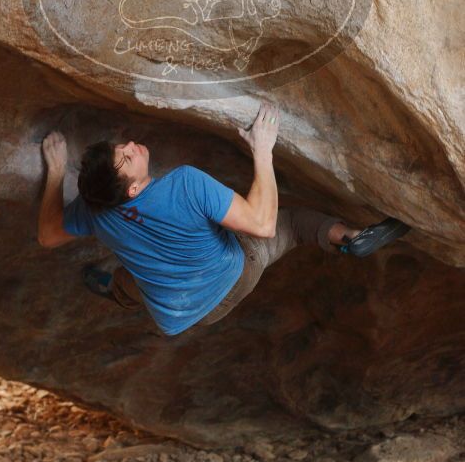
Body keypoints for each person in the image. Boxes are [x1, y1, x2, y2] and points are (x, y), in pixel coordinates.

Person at [38, 102, 410, 336]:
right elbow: (263, 224)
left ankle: (116, 291)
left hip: (178, 313)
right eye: (127, 158)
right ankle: (351, 236)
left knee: (129, 280)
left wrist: (55, 171)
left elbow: (48, 236)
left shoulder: (94, 208)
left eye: (124, 147)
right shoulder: (185, 184)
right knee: (291, 224)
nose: (133, 147)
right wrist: (262, 150)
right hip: (232, 279)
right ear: (132, 189)